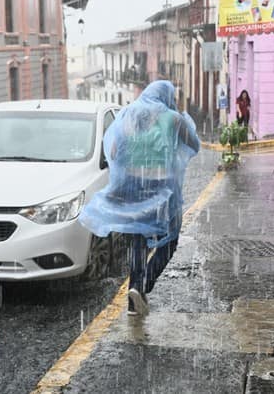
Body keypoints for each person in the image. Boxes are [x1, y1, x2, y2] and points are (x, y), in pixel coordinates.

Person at [79, 80, 200, 316]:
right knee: (170, 238)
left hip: (132, 188)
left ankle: (135, 292)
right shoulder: (172, 118)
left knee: (138, 239)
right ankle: (145, 283)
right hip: (162, 188)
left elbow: (113, 152)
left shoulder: (127, 116)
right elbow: (193, 145)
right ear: (167, 96)